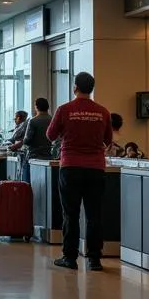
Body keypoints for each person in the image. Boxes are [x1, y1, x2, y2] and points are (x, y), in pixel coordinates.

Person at [47, 71, 113, 272]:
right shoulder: (103, 112)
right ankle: (94, 259)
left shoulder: (64, 109)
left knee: (71, 214)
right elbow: (108, 140)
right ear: (91, 89)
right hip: (95, 168)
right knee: (94, 215)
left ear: (74, 87)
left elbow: (50, 135)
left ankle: (70, 257)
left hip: (70, 167)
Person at [20, 97, 53, 182]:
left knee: (29, 182)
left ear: (36, 107)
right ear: (48, 107)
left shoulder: (33, 121)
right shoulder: (52, 120)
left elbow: (27, 140)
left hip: (34, 156)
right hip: (49, 156)